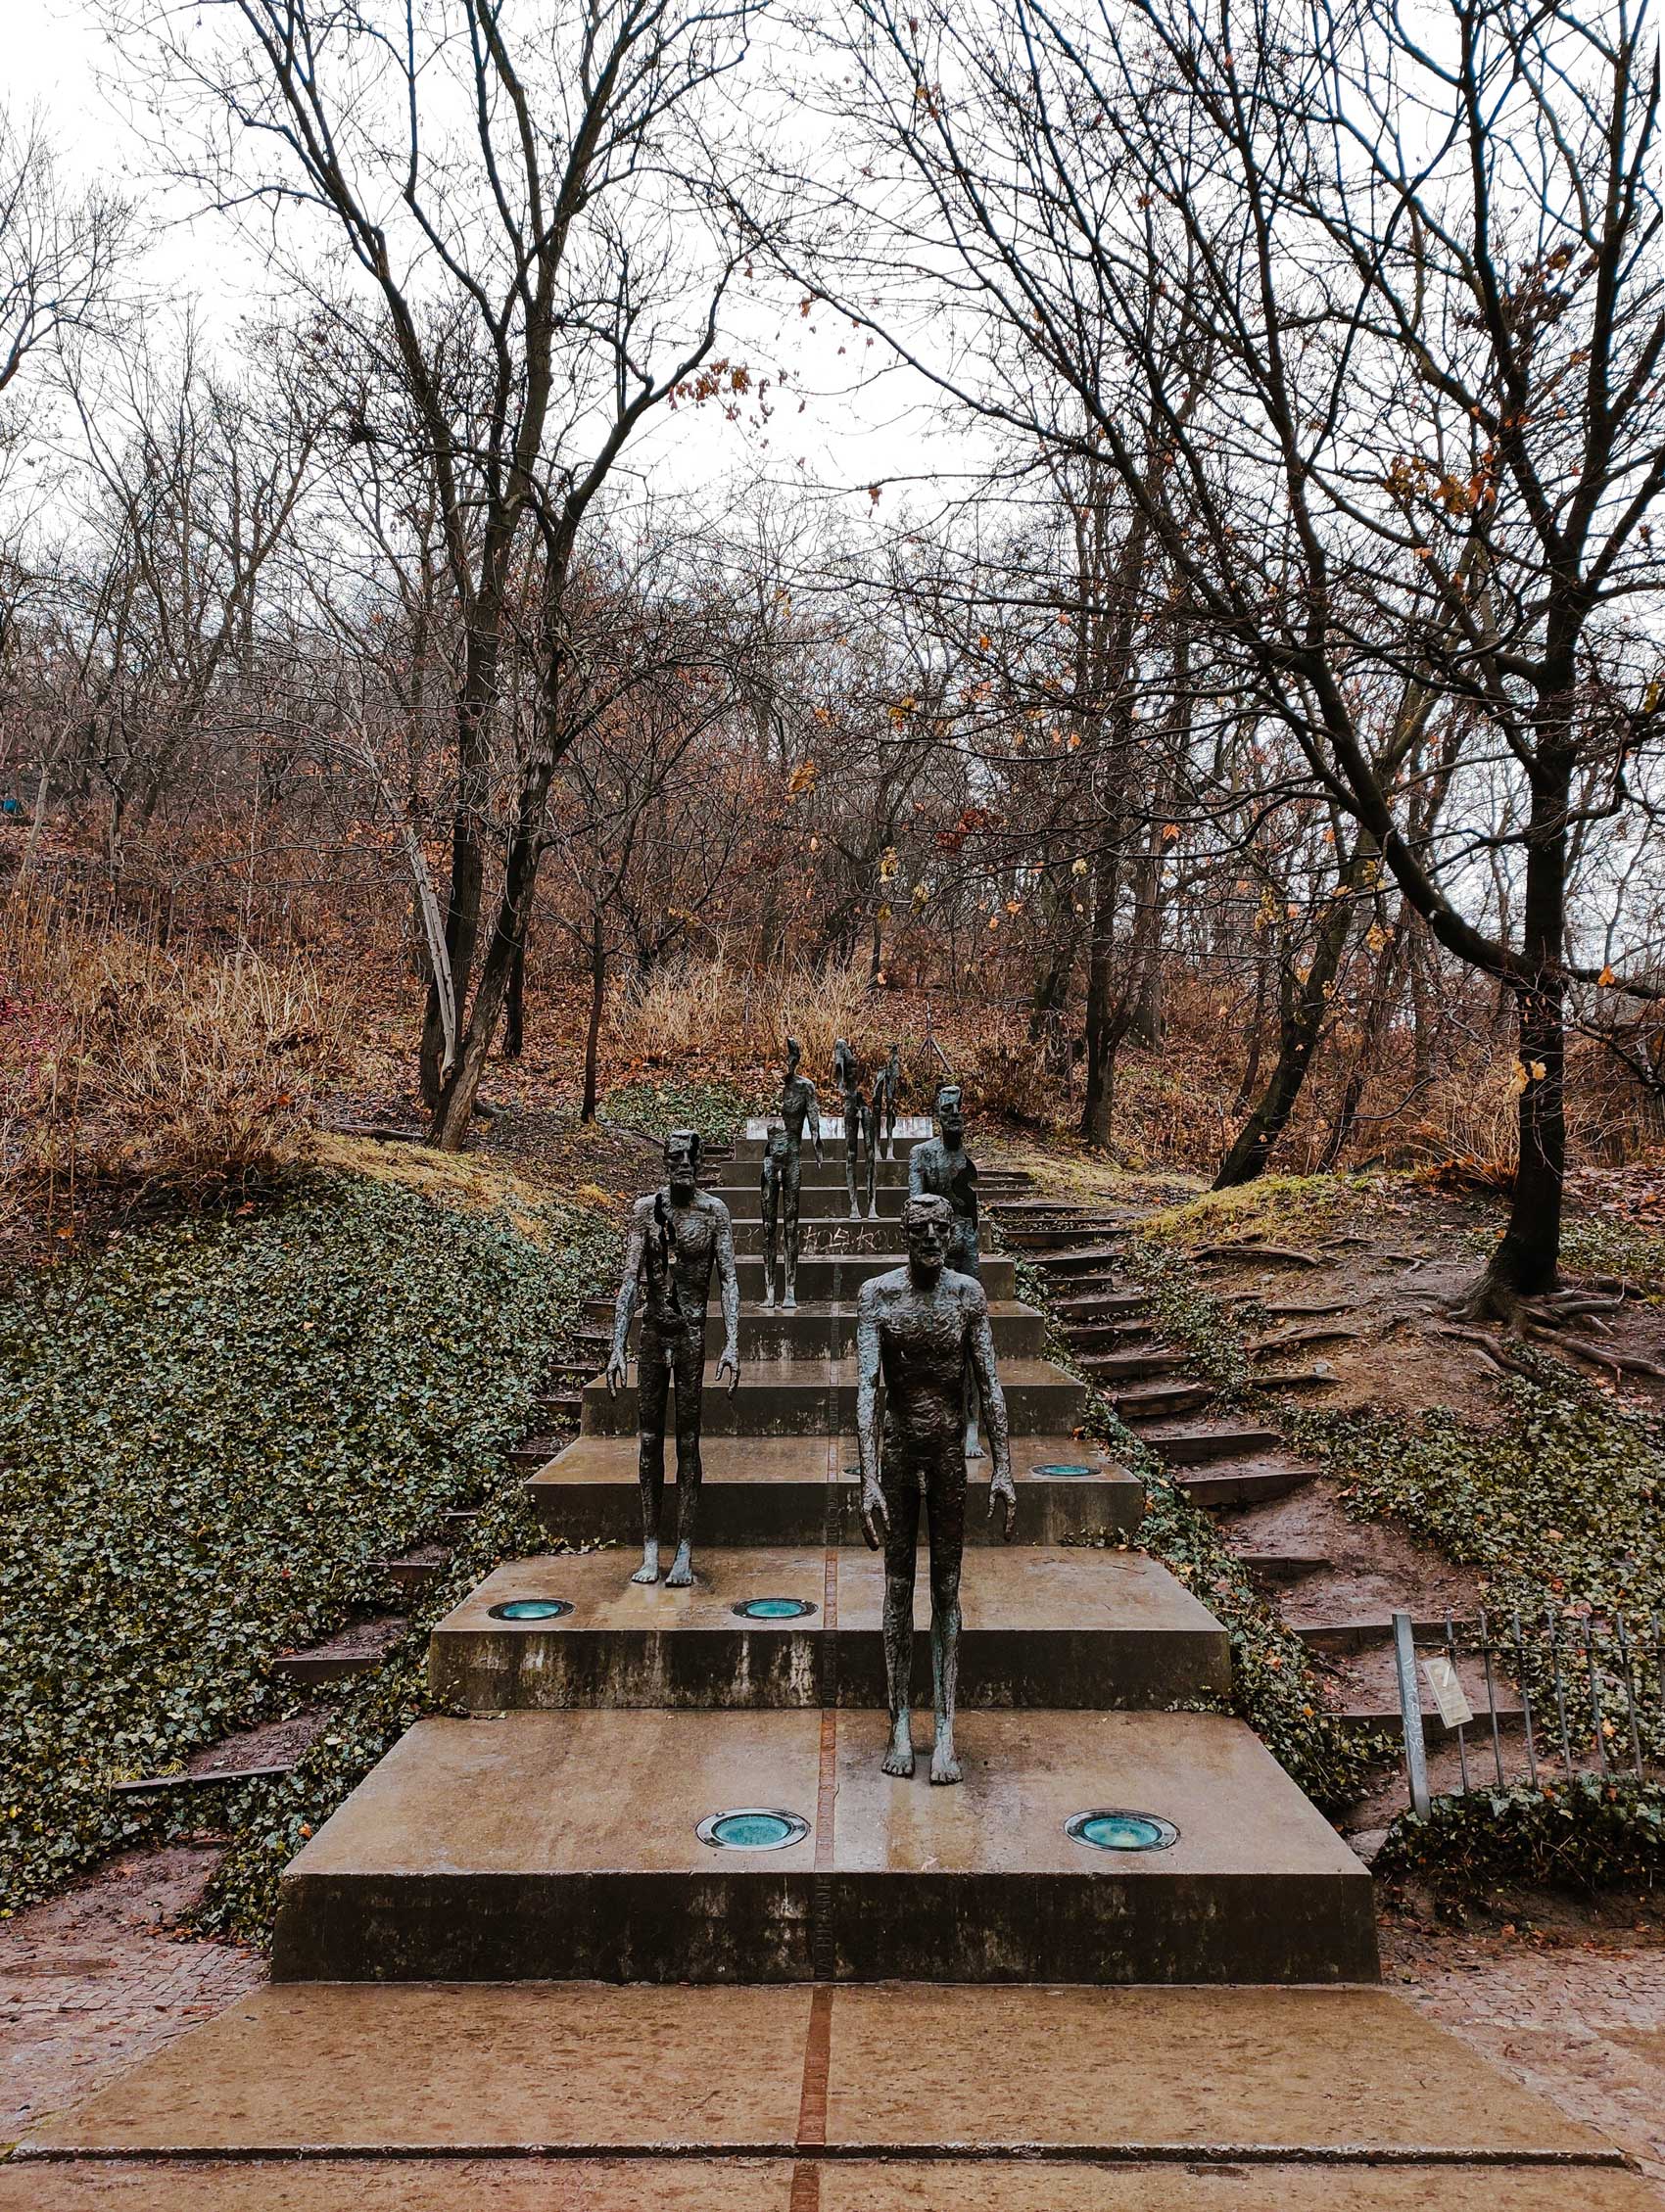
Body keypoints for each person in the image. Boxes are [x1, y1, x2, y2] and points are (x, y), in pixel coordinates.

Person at [856, 1193, 1015, 1785]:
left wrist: (1004, 1465)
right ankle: (899, 1721)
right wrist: (868, 1474)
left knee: (946, 1588)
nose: (929, 1237)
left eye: (938, 1228)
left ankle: (944, 1727)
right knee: (898, 1588)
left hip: (948, 1454)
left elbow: (988, 1383)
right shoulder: (878, 1295)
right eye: (918, 1227)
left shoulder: (967, 1295)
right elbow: (868, 1390)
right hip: (899, 1453)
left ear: (951, 1233)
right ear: (905, 1233)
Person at [605, 1129, 740, 1586]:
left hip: (690, 1336)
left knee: (687, 1442)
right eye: (675, 1155)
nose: (683, 1162)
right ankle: (649, 1548)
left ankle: (683, 1548)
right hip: (652, 1334)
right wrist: (616, 1346)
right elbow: (629, 1283)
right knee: (648, 1442)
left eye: (690, 1155)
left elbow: (729, 1280)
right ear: (666, 1160)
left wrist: (734, 1343)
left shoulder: (714, 1212)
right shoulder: (647, 1211)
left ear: (700, 1160)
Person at [908, 1084, 984, 1454]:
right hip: (932, 1250)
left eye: (959, 1107)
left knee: (971, 1337)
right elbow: (915, 1208)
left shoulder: (967, 1158)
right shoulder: (921, 1155)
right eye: (947, 1108)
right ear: (937, 1114)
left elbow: (973, 1217)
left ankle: (972, 1422)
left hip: (965, 1249)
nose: (954, 1113)